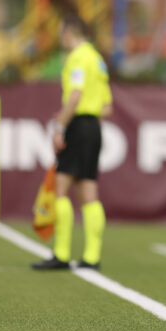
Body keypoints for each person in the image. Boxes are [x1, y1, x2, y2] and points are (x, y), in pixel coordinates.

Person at [32, 14, 113, 271]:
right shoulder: (98, 61)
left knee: (61, 187)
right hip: (94, 127)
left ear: (68, 33)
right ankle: (91, 256)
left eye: (60, 32)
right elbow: (107, 107)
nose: (59, 38)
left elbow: (75, 96)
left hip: (78, 126)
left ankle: (62, 253)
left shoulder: (77, 58)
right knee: (89, 191)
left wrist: (59, 126)